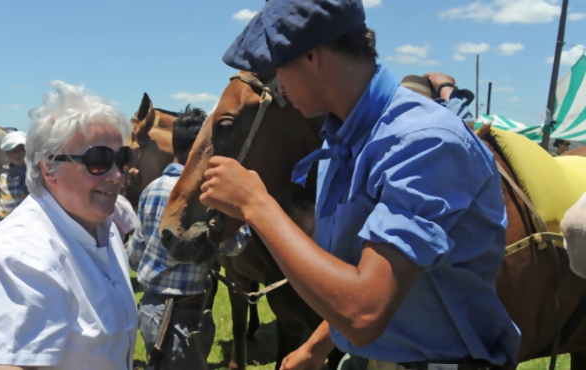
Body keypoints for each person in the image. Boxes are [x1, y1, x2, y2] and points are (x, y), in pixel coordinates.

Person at [199, 1, 521, 369]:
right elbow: (375, 273)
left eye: (277, 67)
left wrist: (256, 205)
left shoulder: (423, 142)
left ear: (311, 56)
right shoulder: (344, 143)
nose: (279, 86)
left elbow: (365, 313)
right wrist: (317, 347)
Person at [0, 80, 138, 370]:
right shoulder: (24, 255)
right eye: (98, 160)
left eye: (121, 159)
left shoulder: (101, 226)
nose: (116, 175)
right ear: (49, 169)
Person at [129, 105, 250, 370]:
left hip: (150, 308)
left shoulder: (150, 190)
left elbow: (135, 256)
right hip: (182, 314)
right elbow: (234, 247)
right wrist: (246, 211)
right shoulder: (206, 197)